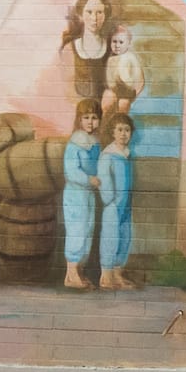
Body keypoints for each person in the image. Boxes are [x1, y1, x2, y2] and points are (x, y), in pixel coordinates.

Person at [62, 99, 103, 290]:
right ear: (79, 119)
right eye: (86, 117)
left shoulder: (95, 142)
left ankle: (78, 272)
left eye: (94, 118)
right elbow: (71, 171)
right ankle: (70, 274)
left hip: (89, 194)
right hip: (75, 194)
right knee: (77, 231)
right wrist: (89, 179)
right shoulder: (75, 143)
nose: (90, 122)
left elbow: (98, 166)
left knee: (88, 231)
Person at [97, 113, 137, 290]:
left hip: (125, 204)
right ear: (112, 132)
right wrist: (110, 200)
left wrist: (127, 201)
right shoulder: (108, 155)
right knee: (110, 237)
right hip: (112, 204)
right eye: (119, 130)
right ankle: (106, 277)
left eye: (127, 130)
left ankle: (117, 274)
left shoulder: (127, 155)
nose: (123, 134)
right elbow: (104, 180)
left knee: (124, 236)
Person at [60, 0, 114, 101]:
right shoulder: (70, 49)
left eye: (99, 12)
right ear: (81, 14)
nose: (94, 18)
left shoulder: (112, 49)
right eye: (89, 12)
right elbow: (68, 91)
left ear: (105, 15)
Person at [102, 25, 145, 113]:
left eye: (121, 42)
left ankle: (121, 118)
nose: (117, 45)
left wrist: (135, 93)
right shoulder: (111, 59)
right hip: (115, 89)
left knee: (123, 104)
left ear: (128, 44)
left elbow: (140, 78)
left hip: (128, 90)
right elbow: (109, 80)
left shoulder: (130, 57)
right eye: (114, 41)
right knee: (107, 100)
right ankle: (107, 117)